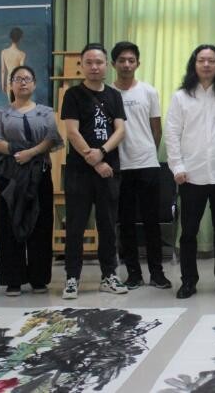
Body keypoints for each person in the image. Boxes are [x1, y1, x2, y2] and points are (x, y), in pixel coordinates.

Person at [165, 44, 215, 299]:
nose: (206, 65)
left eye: (211, 61)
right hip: (191, 175)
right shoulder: (181, 97)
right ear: (194, 64)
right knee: (188, 232)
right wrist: (177, 166)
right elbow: (172, 134)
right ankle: (188, 281)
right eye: (201, 60)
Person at [0, 65, 63, 296]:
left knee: (41, 224)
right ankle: (13, 279)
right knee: (8, 225)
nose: (23, 83)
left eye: (27, 79)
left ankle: (39, 279)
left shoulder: (46, 112)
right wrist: (15, 150)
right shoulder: (1, 112)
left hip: (39, 175)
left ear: (34, 84)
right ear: (11, 85)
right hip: (10, 176)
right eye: (18, 79)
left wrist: (30, 153)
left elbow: (52, 139)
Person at [61, 43, 128, 299]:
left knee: (108, 225)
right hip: (80, 172)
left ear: (106, 65)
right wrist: (95, 160)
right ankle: (72, 277)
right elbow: (72, 132)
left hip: (109, 170)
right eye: (89, 62)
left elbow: (120, 130)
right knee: (75, 225)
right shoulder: (73, 95)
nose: (94, 67)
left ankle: (109, 275)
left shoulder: (114, 96)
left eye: (99, 62)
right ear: (82, 65)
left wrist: (102, 152)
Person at [111, 41, 171, 290]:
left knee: (151, 221)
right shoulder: (107, 92)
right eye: (122, 60)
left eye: (131, 60)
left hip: (147, 164)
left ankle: (157, 273)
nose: (126, 65)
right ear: (113, 64)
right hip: (118, 166)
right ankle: (133, 273)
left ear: (138, 63)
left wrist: (147, 152)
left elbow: (156, 129)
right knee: (125, 222)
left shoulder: (149, 91)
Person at [1, 27, 26, 100]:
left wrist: (2, 85)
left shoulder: (4, 52)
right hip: (18, 82)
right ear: (20, 39)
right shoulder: (22, 54)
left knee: (11, 103)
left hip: (9, 81)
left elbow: (3, 70)